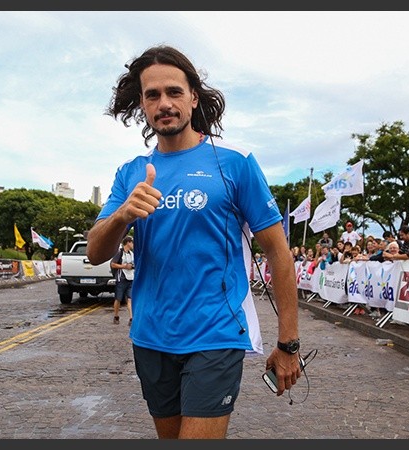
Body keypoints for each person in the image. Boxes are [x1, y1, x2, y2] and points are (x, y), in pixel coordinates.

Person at [85, 45, 301, 439]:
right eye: (152, 95)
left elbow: (278, 252)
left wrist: (288, 342)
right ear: (142, 105)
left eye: (174, 92)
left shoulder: (234, 162)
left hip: (216, 333)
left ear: (193, 97)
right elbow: (96, 253)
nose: (164, 103)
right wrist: (121, 215)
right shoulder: (131, 172)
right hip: (150, 335)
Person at [110, 236, 135, 326]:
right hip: (121, 278)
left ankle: (131, 318)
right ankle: (116, 316)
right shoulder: (119, 253)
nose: (133, 244)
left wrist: (132, 266)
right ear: (128, 242)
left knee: (130, 299)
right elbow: (113, 264)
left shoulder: (132, 254)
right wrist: (124, 266)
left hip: (130, 278)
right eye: (132, 242)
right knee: (118, 299)